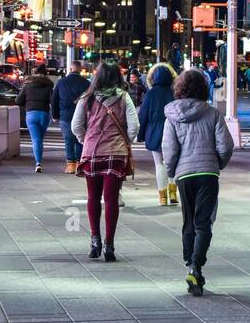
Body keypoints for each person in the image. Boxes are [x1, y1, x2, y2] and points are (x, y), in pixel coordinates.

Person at [162, 67, 234, 296]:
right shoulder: (213, 113)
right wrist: (217, 164)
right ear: (203, 88)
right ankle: (196, 265)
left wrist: (172, 171)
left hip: (185, 175)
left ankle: (189, 263)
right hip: (208, 174)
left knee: (188, 221)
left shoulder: (172, 116)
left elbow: (169, 149)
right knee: (204, 222)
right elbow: (225, 145)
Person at [71, 60, 139, 262]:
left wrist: (87, 140)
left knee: (93, 197)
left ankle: (94, 241)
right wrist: (125, 140)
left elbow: (76, 126)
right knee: (111, 199)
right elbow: (134, 126)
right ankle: (109, 245)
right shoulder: (124, 97)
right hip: (116, 153)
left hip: (92, 152)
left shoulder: (87, 98)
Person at [137, 62, 178, 205]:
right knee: (172, 163)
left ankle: (162, 197)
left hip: (155, 132)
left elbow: (143, 116)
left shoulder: (151, 93)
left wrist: (141, 135)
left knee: (159, 164)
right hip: (173, 132)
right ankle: (173, 193)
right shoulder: (175, 92)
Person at [51, 61, 89, 173]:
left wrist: (55, 115)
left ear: (70, 69)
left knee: (68, 139)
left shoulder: (61, 82)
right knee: (80, 139)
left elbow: (54, 100)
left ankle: (71, 165)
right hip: (82, 116)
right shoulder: (86, 83)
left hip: (65, 115)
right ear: (80, 69)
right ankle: (80, 164)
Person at [17, 64, 55, 172]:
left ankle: (38, 163)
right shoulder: (48, 87)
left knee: (36, 139)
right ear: (45, 75)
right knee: (39, 139)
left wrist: (28, 103)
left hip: (31, 114)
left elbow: (18, 101)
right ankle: (39, 160)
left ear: (34, 74)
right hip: (44, 115)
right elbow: (52, 101)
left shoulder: (27, 86)